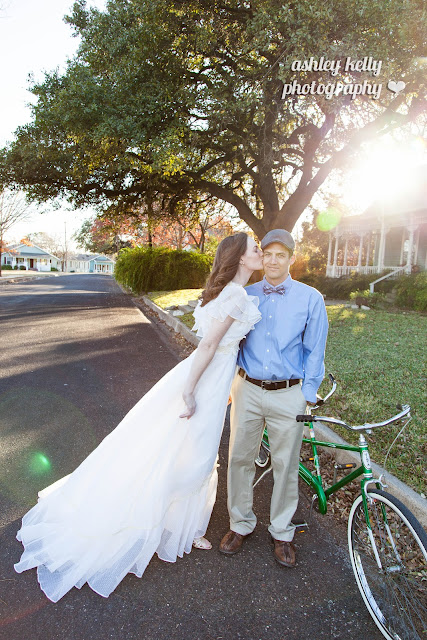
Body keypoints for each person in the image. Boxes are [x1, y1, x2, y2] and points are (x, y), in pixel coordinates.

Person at [14, 232, 263, 602]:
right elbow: (209, 345)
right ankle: (182, 527)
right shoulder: (238, 296)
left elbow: (216, 347)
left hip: (211, 376)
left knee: (184, 445)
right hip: (203, 379)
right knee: (198, 451)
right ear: (240, 258)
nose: (261, 253)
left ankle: (184, 524)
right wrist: (192, 389)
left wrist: (217, 383)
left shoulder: (225, 292)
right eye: (255, 249)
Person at [219, 229, 328, 567]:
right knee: (239, 458)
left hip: (289, 393)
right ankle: (240, 523)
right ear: (261, 257)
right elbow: (229, 342)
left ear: (292, 258)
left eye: (282, 254)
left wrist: (307, 394)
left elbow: (315, 350)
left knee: (286, 464)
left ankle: (282, 531)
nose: (274, 260)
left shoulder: (310, 298)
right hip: (247, 389)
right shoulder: (245, 295)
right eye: (268, 253)